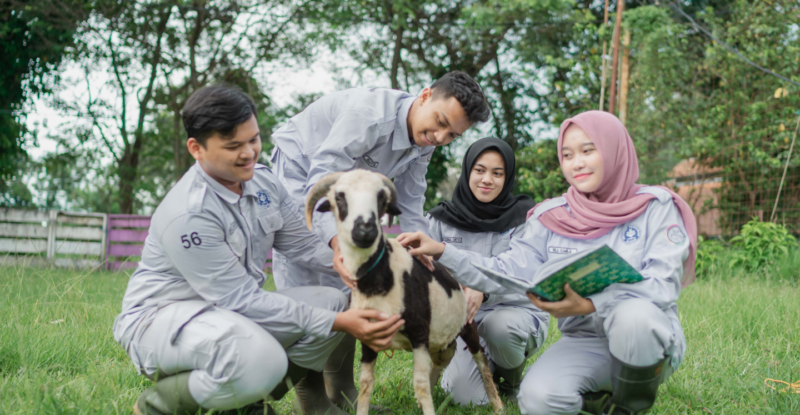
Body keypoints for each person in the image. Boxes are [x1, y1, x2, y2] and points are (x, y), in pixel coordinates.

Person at [113, 85, 405, 415]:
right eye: (233, 146)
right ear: (196, 148)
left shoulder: (263, 182)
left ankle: (246, 403)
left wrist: (362, 262)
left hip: (228, 315)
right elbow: (241, 300)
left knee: (333, 299)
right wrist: (340, 322)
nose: (249, 153)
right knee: (273, 351)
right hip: (164, 321)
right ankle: (156, 405)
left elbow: (305, 243)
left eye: (253, 139)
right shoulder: (188, 213)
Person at [397, 111, 697, 415]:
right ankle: (597, 401)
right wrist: (443, 250)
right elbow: (506, 269)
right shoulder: (552, 216)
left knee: (633, 316)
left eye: (587, 150)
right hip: (585, 342)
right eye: (567, 155)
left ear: (614, 149)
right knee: (536, 398)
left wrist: (592, 304)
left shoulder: (654, 207)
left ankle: (630, 406)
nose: (576, 162)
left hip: (648, 342)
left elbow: (663, 285)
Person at [268, 71, 490, 410]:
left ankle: (342, 390)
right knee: (318, 269)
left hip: (346, 193)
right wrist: (335, 241)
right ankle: (310, 399)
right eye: (440, 122)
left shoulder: (424, 142)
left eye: (452, 135)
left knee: (351, 281)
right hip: (301, 176)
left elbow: (412, 198)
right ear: (425, 95)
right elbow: (323, 176)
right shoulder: (369, 114)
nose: (440, 137)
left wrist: (419, 249)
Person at [425, 137, 549, 405]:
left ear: (508, 177)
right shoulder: (440, 219)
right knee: (467, 398)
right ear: (467, 170)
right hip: (462, 321)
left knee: (499, 328)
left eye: (497, 173)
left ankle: (511, 379)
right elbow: (420, 270)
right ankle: (479, 367)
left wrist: (483, 289)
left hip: (515, 314)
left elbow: (524, 273)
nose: (487, 180)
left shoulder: (526, 219)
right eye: (479, 170)